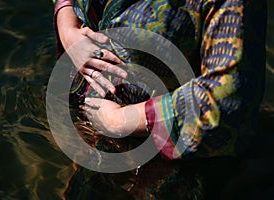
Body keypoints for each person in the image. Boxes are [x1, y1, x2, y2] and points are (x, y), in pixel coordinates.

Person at [53, 0, 267, 199]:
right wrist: (67, 29)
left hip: (170, 167)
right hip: (86, 134)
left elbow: (229, 102)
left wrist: (118, 121)